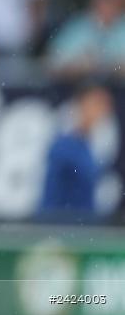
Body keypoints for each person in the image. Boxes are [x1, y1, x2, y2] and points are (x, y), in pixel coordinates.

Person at [38, 81, 114, 224]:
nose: (103, 110)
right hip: (60, 230)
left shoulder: (89, 145)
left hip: (81, 229)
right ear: (81, 105)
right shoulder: (64, 145)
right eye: (97, 103)